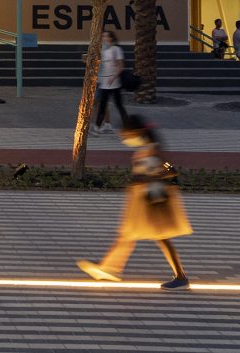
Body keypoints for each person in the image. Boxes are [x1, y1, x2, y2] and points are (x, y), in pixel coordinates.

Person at [76, 118, 190, 289]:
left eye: (127, 134)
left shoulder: (153, 150)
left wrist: (148, 177)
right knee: (129, 234)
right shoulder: (148, 148)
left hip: (154, 198)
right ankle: (109, 268)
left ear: (137, 132)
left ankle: (181, 277)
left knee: (159, 237)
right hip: (144, 197)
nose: (124, 137)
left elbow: (171, 171)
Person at [94, 30, 131, 133]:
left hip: (114, 83)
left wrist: (113, 77)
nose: (103, 38)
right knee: (103, 104)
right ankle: (99, 127)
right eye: (103, 37)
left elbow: (121, 67)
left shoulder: (116, 50)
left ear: (111, 38)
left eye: (105, 36)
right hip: (105, 82)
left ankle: (127, 126)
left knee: (118, 105)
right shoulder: (104, 51)